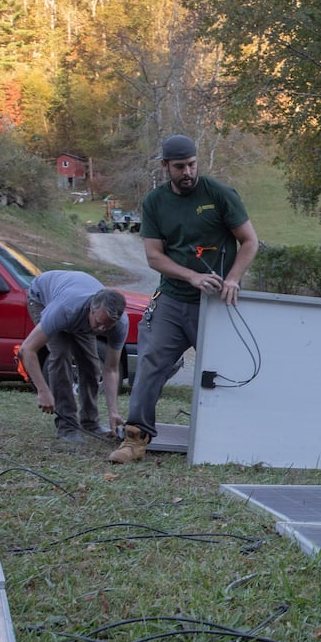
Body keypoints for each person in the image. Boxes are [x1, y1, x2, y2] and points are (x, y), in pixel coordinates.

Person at [109, 133, 259, 464]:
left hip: (217, 305)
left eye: (191, 164)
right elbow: (154, 256)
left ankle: (237, 439)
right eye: (179, 167)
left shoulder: (219, 195)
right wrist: (191, 276)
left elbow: (250, 241)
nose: (187, 172)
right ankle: (134, 440)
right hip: (173, 302)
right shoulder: (154, 203)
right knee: (150, 365)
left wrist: (233, 278)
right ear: (166, 167)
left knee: (227, 369)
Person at [17, 271, 129, 445]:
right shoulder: (64, 309)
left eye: (107, 326)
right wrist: (43, 390)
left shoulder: (120, 324)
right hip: (42, 298)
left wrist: (113, 411)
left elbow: (111, 369)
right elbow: (27, 349)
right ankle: (67, 426)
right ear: (92, 309)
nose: (100, 329)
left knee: (92, 366)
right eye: (99, 323)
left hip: (74, 301)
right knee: (60, 355)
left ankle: (90, 422)